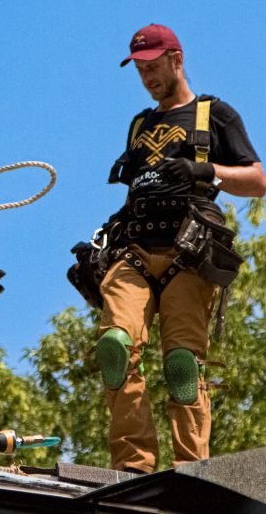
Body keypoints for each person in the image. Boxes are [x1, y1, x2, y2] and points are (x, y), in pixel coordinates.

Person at [96, 24, 266, 473]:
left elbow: (258, 181)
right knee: (115, 346)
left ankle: (193, 471)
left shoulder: (215, 113)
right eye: (140, 69)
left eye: (154, 66)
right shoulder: (140, 124)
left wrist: (204, 170)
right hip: (133, 246)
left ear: (177, 59)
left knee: (182, 364)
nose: (148, 76)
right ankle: (133, 466)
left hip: (187, 251)